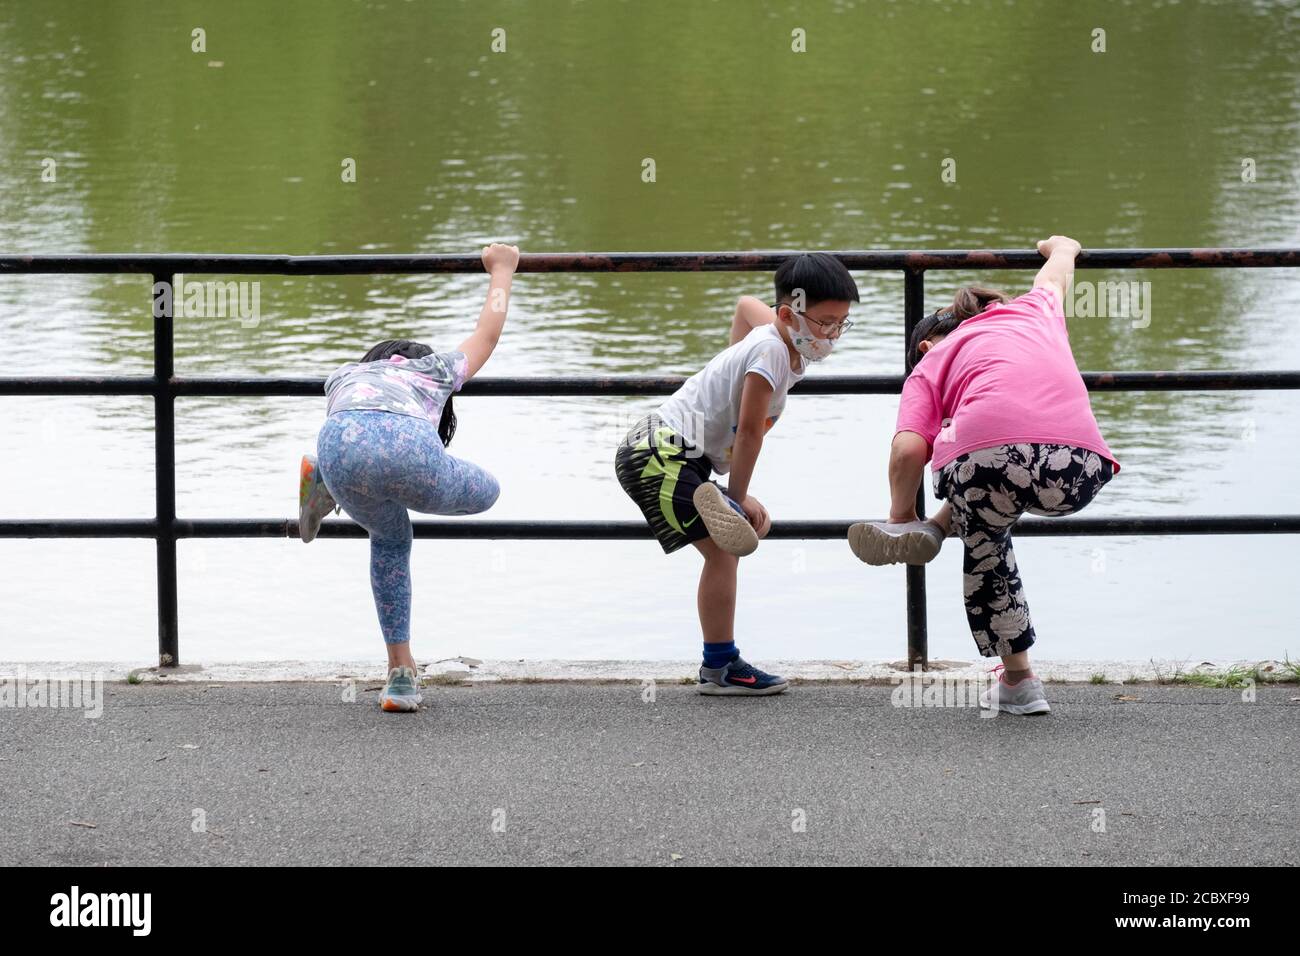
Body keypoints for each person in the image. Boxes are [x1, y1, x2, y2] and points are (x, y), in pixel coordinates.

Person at [848, 236, 1118, 715]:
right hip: (1079, 467)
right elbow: (1054, 275)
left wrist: (898, 515)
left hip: (989, 468)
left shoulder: (931, 361)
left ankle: (1019, 682)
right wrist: (1062, 247)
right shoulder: (1033, 312)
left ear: (926, 345)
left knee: (985, 528)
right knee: (990, 488)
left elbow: (908, 450)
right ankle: (938, 523)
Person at [616, 253, 859, 695]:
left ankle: (720, 664)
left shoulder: (780, 333)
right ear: (790, 315)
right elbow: (749, 433)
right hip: (659, 454)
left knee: (727, 549)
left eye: (842, 323)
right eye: (825, 323)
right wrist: (738, 496)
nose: (832, 335)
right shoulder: (771, 353)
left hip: (671, 449)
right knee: (726, 551)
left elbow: (747, 304)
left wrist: (728, 360)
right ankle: (719, 668)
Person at [297, 243, 519, 712]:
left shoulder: (345, 374)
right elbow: (489, 333)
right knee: (489, 492)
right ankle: (399, 685)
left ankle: (400, 675)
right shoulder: (434, 369)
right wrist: (503, 269)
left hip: (337, 447)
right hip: (412, 453)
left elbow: (355, 422)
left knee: (390, 537)